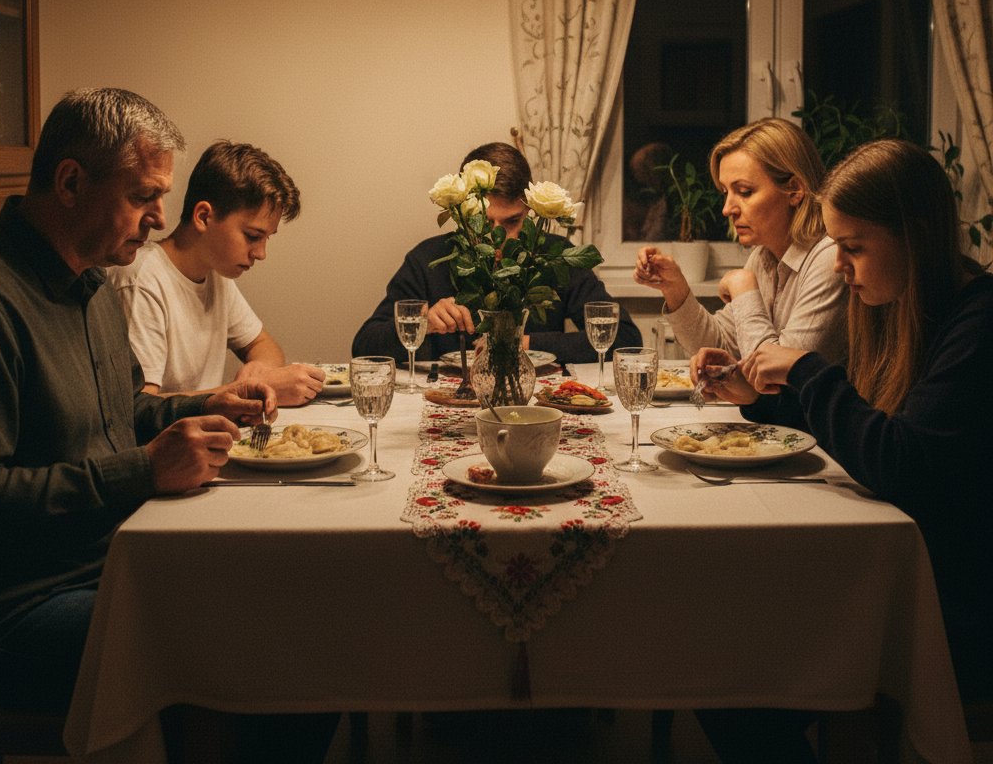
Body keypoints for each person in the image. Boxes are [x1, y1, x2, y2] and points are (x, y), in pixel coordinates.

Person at [0, 88, 277, 714]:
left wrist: (211, 406)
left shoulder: (94, 285)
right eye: (143, 196)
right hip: (18, 601)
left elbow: (124, 413)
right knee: (261, 646)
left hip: (114, 551)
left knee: (282, 589)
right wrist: (143, 469)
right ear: (71, 182)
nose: (162, 217)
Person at [694, 138, 993, 704]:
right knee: (725, 641)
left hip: (950, 597)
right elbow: (857, 420)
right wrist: (759, 401)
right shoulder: (897, 306)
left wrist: (807, 370)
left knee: (727, 674)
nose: (838, 266)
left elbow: (901, 461)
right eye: (835, 245)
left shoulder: (977, 321)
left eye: (852, 246)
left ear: (915, 237)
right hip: (901, 568)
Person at [353, 141, 642, 363]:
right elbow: (363, 346)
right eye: (485, 220)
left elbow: (627, 338)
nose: (498, 236)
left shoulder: (553, 255)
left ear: (530, 210)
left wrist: (524, 343)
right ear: (463, 210)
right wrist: (421, 323)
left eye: (513, 221)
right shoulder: (428, 259)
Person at [110, 140, 324, 406]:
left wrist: (259, 370)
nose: (261, 253)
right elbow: (142, 408)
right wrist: (242, 390)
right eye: (253, 236)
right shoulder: (141, 280)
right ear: (203, 216)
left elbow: (265, 346)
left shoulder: (215, 274)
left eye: (267, 238)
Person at [633, 117, 847, 363]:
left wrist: (743, 289)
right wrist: (675, 288)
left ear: (795, 190)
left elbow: (782, 373)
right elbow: (719, 346)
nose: (727, 209)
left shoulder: (831, 258)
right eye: (726, 192)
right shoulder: (763, 256)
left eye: (744, 192)